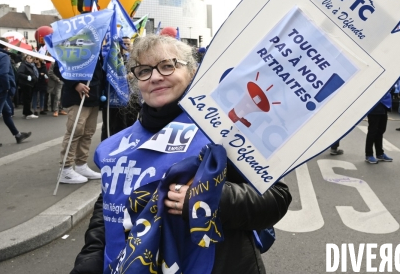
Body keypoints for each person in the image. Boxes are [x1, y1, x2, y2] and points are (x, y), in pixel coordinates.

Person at [70, 35, 292, 274]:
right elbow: (109, 208)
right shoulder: (118, 145)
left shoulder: (223, 131)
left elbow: (276, 197)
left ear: (193, 71)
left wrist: (209, 199)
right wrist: (90, 260)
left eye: (167, 66)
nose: (155, 77)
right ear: (137, 81)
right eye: (144, 70)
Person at [56, 55, 105, 184]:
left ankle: (81, 165)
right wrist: (75, 84)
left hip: (93, 95)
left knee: (88, 133)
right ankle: (65, 169)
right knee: (74, 132)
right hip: (77, 97)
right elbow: (59, 67)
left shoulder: (97, 46)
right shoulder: (73, 45)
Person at [0, 40, 31, 148]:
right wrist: (7, 88)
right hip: (0, 90)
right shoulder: (3, 57)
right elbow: (3, 74)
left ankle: (18, 135)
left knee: (6, 112)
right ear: (7, 46)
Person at [364, 90, 394, 164]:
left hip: (384, 105)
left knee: (381, 130)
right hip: (374, 105)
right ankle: (369, 154)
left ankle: (380, 153)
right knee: (372, 131)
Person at [17, 54, 39, 119]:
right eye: (27, 58)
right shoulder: (24, 65)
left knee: (28, 99)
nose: (29, 59)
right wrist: (27, 77)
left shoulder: (31, 65)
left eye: (30, 58)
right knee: (27, 99)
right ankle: (28, 113)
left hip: (30, 84)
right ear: (25, 59)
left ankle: (26, 112)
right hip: (26, 84)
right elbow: (19, 73)